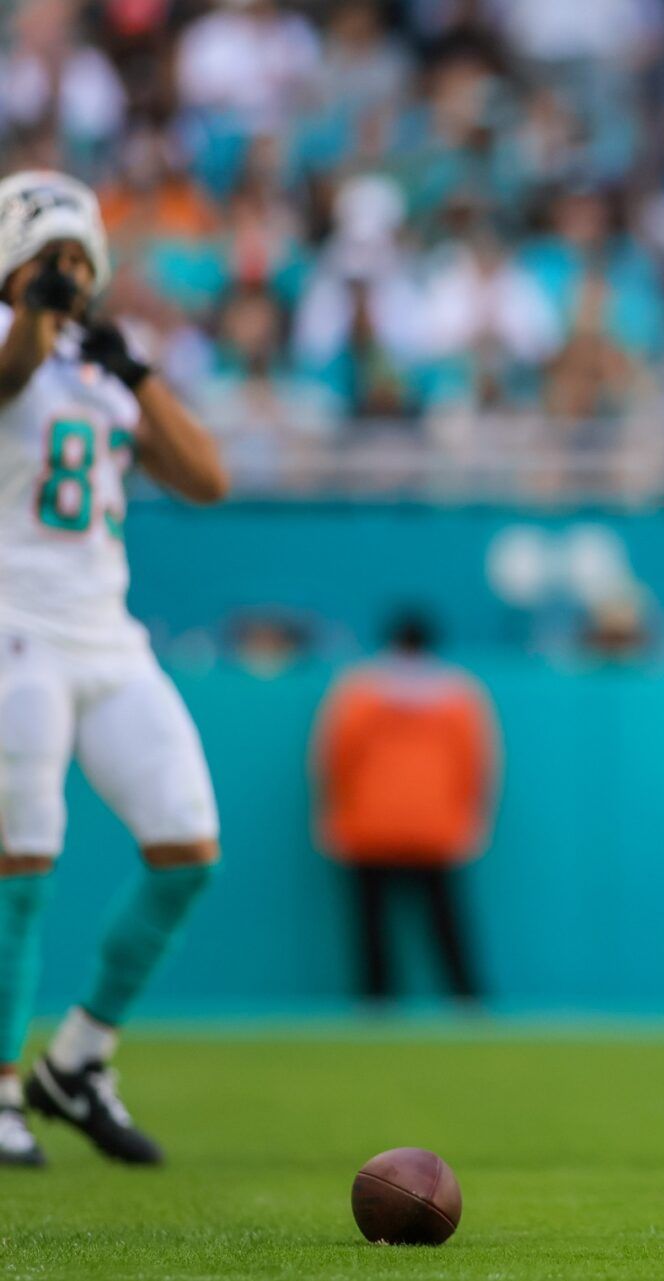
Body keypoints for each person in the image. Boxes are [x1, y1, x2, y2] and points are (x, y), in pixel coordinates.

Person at [0, 171, 230, 1168]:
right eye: (50, 258)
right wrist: (34, 318)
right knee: (22, 865)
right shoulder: (13, 345)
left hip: (108, 634)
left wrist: (136, 376)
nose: (68, 275)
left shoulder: (104, 367)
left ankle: (79, 1059)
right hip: (15, 628)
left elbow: (209, 481)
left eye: (80, 259)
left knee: (187, 847)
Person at [311, 610, 498, 1003]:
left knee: (372, 922)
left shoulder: (360, 691)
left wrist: (336, 815)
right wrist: (471, 821)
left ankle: (377, 1002)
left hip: (369, 823)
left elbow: (336, 757)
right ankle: (467, 1000)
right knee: (445, 921)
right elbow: (476, 763)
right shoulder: (458, 694)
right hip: (436, 824)